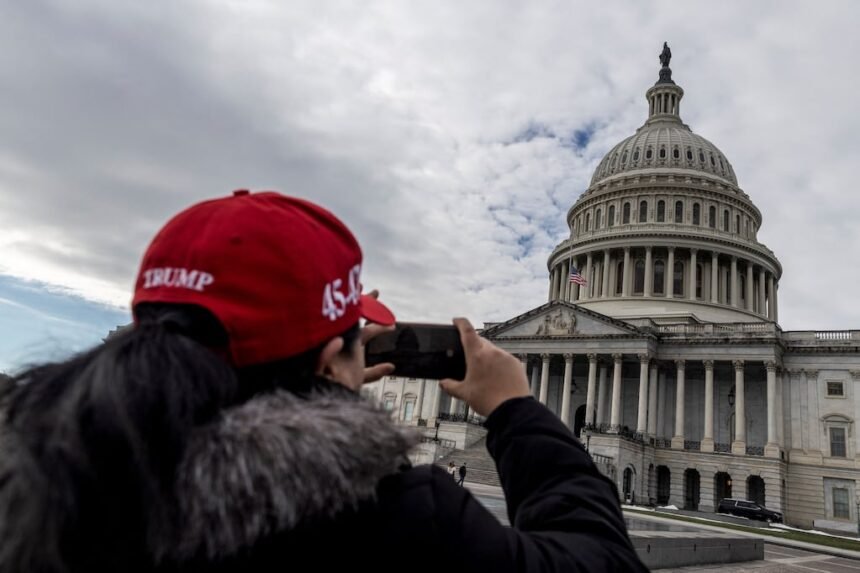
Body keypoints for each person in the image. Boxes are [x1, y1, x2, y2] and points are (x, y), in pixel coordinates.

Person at [0, 190, 647, 572]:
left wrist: (320, 389)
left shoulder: (40, 487)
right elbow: (605, 561)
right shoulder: (395, 520)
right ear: (328, 359)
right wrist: (515, 410)